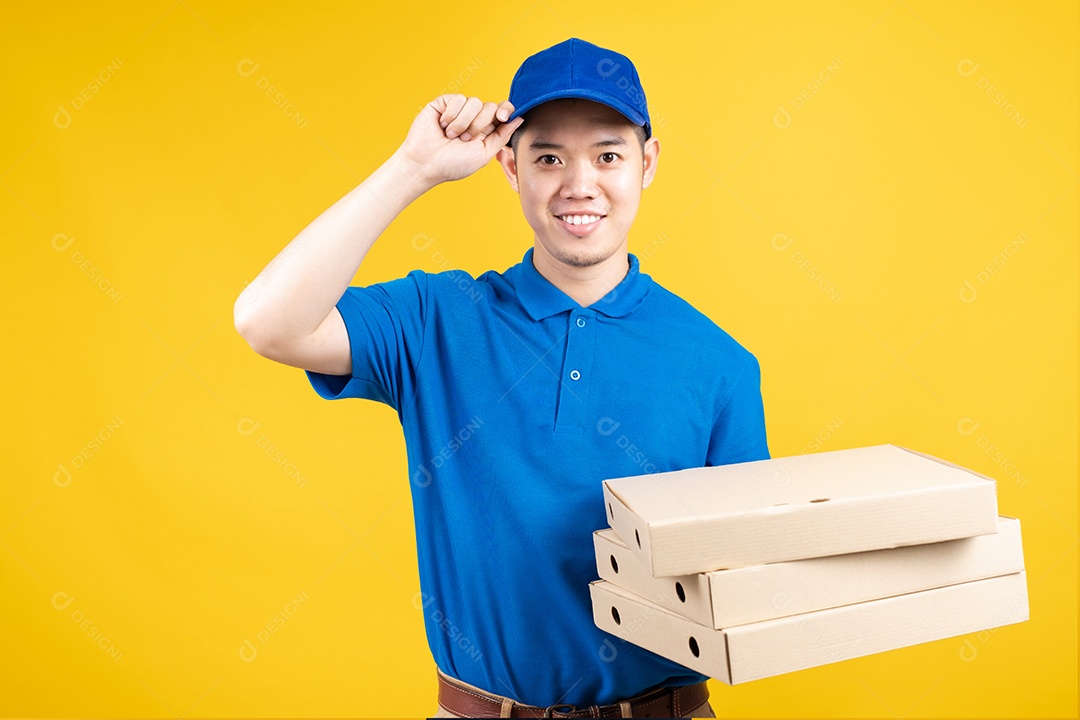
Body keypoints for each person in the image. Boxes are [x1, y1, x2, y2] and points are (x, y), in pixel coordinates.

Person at [234, 37, 769, 718]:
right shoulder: (436, 321)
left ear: (647, 163)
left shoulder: (717, 361)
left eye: (608, 155)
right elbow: (266, 322)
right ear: (509, 168)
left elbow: (745, 577)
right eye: (548, 157)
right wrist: (412, 169)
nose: (580, 185)